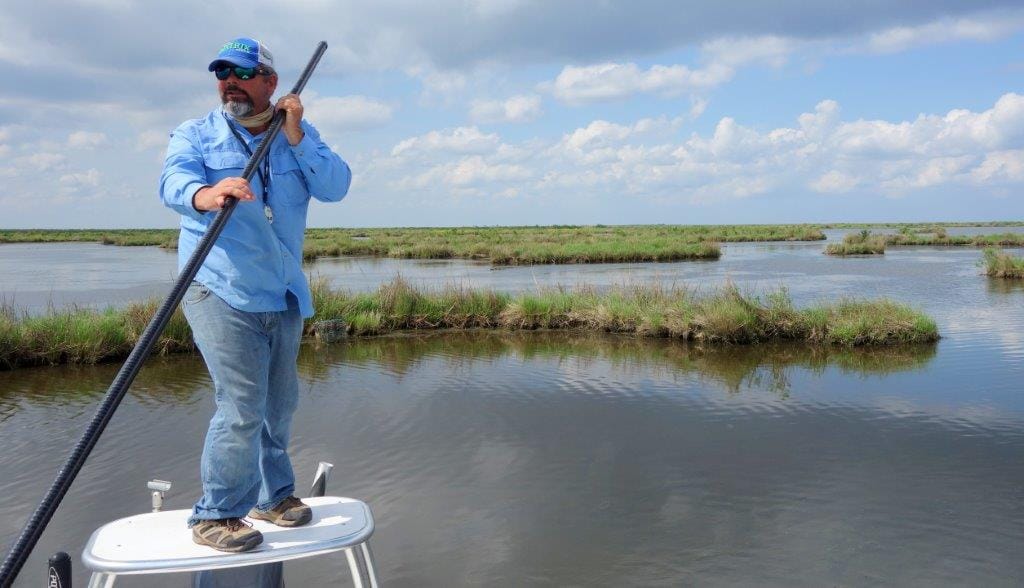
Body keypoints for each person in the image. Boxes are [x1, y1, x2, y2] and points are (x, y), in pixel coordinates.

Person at [159, 37, 351, 552]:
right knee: (242, 402)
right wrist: (206, 193)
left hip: (283, 293)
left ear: (270, 82)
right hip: (218, 288)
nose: (229, 82)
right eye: (222, 73)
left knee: (280, 404)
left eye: (242, 73)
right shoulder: (196, 133)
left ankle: (274, 496)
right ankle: (216, 514)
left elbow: (336, 186)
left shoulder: (297, 135)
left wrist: (297, 136)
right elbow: (173, 182)